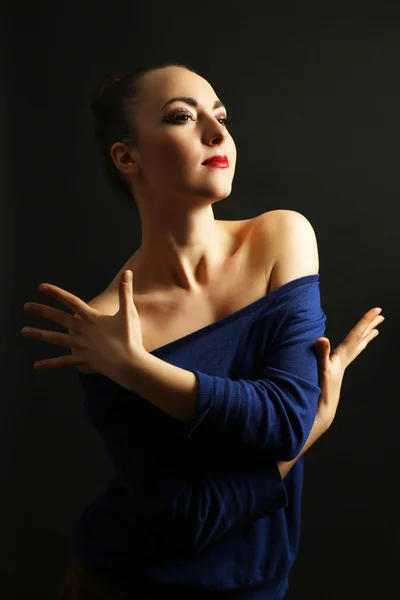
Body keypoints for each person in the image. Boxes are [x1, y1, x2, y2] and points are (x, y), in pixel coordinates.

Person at [21, 63, 384, 599]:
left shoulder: (280, 237)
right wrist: (316, 424)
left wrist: (140, 370)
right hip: (122, 583)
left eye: (219, 116)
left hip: (259, 585)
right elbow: (194, 518)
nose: (217, 133)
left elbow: (283, 419)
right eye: (181, 117)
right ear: (128, 157)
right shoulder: (105, 328)